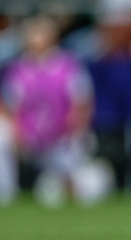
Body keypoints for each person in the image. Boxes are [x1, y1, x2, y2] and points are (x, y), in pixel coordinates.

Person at [0, 16, 113, 206]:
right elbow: (8, 107)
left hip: (62, 139)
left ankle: (68, 185)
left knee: (88, 178)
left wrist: (73, 129)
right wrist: (19, 133)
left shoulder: (68, 65)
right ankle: (6, 193)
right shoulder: (18, 69)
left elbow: (82, 103)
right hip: (30, 139)